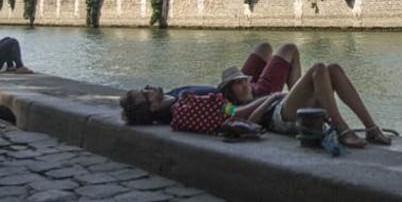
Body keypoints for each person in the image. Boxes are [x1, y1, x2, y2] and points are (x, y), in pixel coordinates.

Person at [118, 42, 302, 126]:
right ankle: (299, 106)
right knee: (289, 49)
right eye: (145, 93)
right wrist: (270, 98)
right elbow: (233, 112)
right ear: (153, 106)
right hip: (248, 97)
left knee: (264, 47)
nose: (148, 87)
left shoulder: (171, 96)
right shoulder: (185, 106)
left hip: (233, 87)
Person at [224, 63, 394, 148]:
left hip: (286, 106)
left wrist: (272, 97)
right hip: (279, 116)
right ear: (230, 91)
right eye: (238, 83)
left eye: (244, 80)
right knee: (318, 68)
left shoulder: (257, 94)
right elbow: (251, 122)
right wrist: (271, 98)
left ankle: (371, 128)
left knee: (333, 69)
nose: (244, 85)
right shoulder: (232, 106)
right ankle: (342, 129)